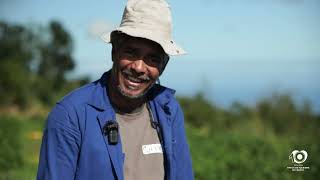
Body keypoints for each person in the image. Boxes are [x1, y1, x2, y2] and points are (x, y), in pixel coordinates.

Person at [36, 0, 194, 179]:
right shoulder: (71, 115)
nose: (139, 67)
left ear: (163, 66)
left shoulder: (169, 110)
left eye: (153, 59)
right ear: (114, 52)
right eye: (131, 52)